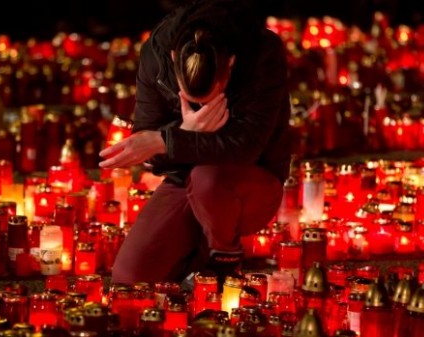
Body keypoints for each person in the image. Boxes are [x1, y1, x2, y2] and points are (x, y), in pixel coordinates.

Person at [98, 0, 292, 286]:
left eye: (212, 97)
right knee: (130, 278)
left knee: (207, 177)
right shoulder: (156, 54)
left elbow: (247, 146)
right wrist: (185, 130)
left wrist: (168, 140)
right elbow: (152, 151)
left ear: (230, 63)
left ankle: (224, 256)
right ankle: (196, 258)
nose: (201, 108)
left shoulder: (262, 53)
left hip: (245, 184)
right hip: (183, 180)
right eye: (190, 99)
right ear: (174, 57)